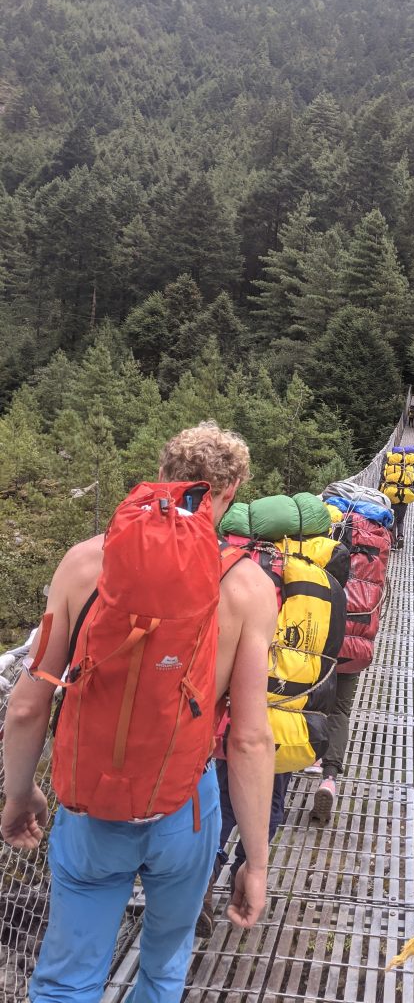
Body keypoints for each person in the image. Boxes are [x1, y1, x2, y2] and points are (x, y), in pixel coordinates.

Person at [0, 422, 277, 1003]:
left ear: (163, 479)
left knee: (67, 979)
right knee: (164, 965)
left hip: (88, 801)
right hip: (185, 808)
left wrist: (18, 794)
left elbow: (28, 704)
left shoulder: (84, 563)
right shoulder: (249, 587)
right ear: (227, 496)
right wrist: (255, 858)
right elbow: (249, 739)